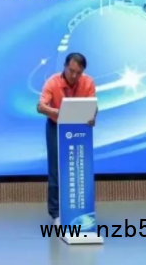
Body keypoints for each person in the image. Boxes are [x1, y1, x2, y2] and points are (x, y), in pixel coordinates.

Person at [37, 52, 97, 226]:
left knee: (80, 167)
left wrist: (92, 116)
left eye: (78, 73)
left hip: (79, 127)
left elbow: (93, 106)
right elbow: (40, 107)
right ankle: (56, 213)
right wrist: (58, 112)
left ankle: (81, 209)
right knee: (56, 169)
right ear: (65, 66)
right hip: (56, 126)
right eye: (71, 71)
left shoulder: (88, 82)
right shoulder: (52, 82)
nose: (74, 76)